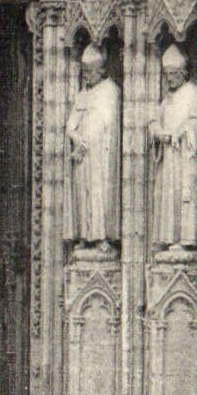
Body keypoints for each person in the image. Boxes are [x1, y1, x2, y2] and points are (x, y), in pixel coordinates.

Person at [148, 45, 197, 249]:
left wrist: (183, 130)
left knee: (185, 194)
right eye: (167, 75)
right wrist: (157, 132)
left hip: (185, 155)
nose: (169, 78)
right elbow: (154, 121)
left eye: (173, 74)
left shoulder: (193, 93)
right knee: (168, 195)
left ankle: (187, 240)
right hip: (168, 156)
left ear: (183, 73)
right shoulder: (166, 99)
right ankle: (169, 238)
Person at [65, 45, 121, 247]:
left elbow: (105, 124)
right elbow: (70, 124)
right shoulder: (82, 94)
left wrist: (85, 143)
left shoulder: (111, 91)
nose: (86, 76)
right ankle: (84, 235)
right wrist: (76, 138)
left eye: (90, 71)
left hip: (101, 155)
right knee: (82, 192)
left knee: (100, 192)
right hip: (83, 154)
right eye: (84, 71)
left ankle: (101, 237)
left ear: (101, 70)